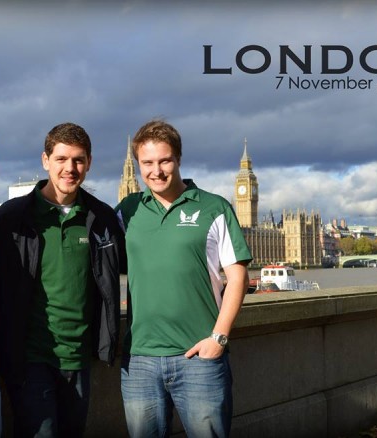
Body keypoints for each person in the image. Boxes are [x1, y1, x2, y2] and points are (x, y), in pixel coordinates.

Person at [0, 122, 125, 437]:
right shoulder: (9, 219)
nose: (70, 168)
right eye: (61, 159)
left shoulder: (103, 219)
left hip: (79, 357)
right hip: (31, 359)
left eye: (78, 160)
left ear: (89, 163)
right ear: (45, 160)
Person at [117, 119, 252, 438]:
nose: (156, 170)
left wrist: (218, 338)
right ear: (137, 165)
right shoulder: (128, 210)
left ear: (178, 158)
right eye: (147, 163)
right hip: (139, 360)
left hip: (199, 358)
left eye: (164, 160)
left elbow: (238, 277)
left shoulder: (213, 206)